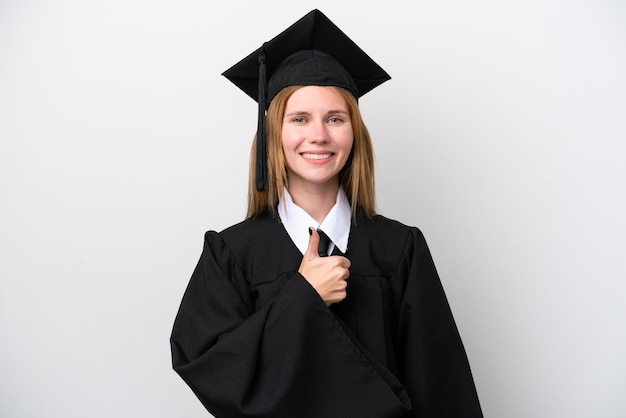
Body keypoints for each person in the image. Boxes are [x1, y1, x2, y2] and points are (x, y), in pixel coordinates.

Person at [170, 9, 483, 418]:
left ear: (355, 134)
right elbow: (213, 371)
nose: (318, 135)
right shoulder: (232, 254)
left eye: (335, 118)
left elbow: (442, 387)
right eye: (299, 119)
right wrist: (303, 297)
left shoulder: (398, 250)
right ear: (273, 134)